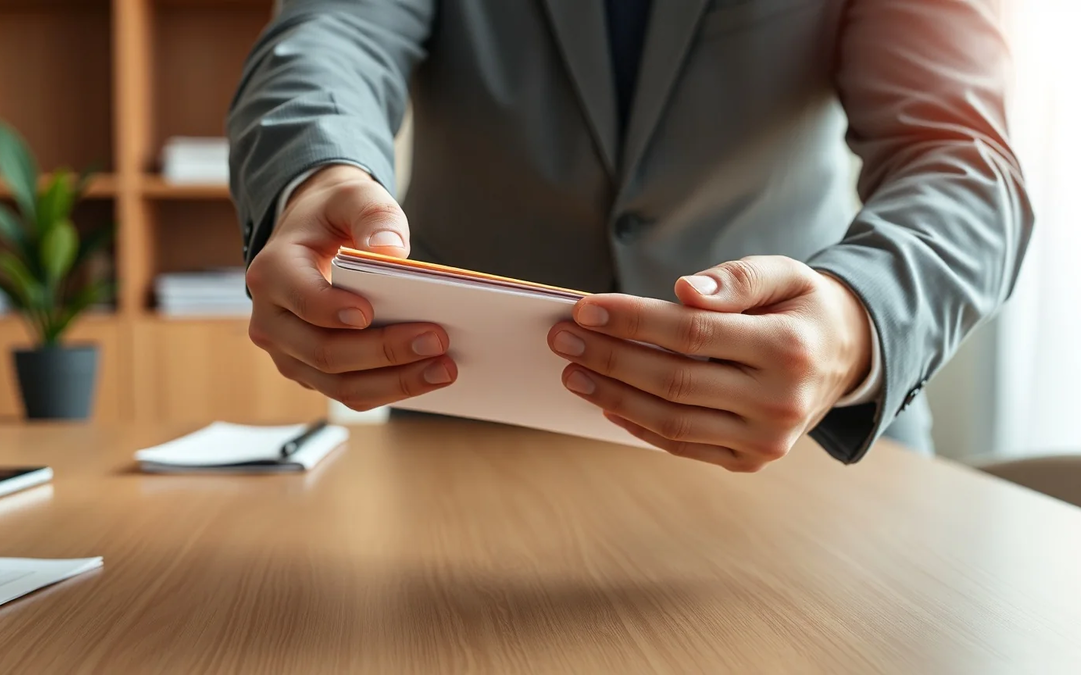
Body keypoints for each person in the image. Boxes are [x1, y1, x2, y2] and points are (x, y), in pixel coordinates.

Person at [227, 0, 1033, 471]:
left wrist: (858, 320)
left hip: (811, 454)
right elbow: (331, 33)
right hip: (471, 451)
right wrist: (315, 174)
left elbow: (959, 158)